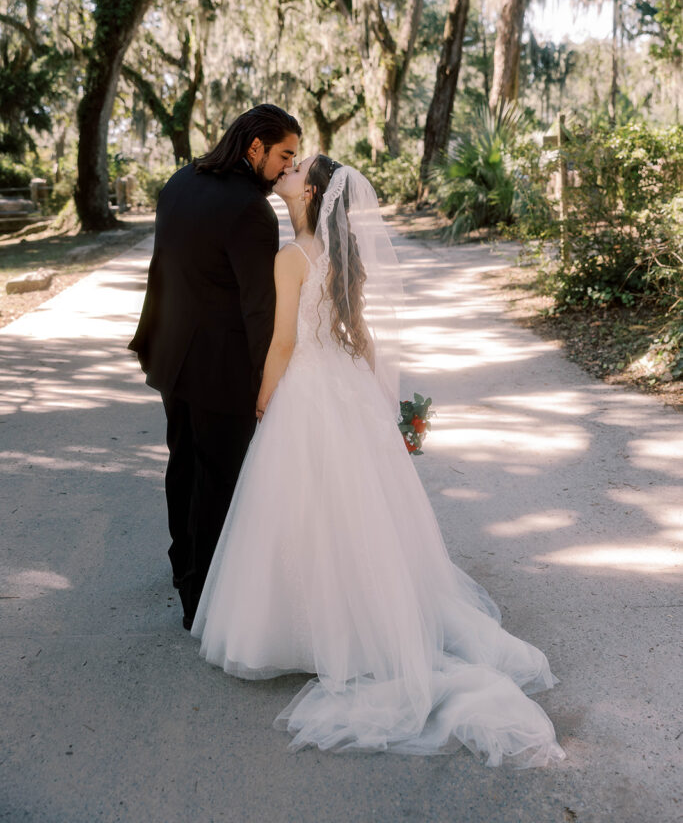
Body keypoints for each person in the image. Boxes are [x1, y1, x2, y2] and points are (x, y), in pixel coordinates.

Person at [191, 154, 566, 766]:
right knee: (356, 511)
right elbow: (360, 336)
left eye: (293, 171)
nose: (282, 173)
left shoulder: (290, 259)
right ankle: (361, 619)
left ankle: (320, 634)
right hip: (344, 385)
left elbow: (284, 342)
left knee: (307, 509)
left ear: (309, 193)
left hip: (307, 391)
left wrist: (262, 398)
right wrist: (377, 403)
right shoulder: (343, 258)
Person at [129, 103, 301, 630]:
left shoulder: (181, 180)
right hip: (219, 368)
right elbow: (258, 308)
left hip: (169, 355)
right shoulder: (251, 210)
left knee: (182, 464)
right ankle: (201, 599)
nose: (288, 169)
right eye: (284, 156)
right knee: (218, 480)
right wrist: (263, 383)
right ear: (255, 148)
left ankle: (183, 567)